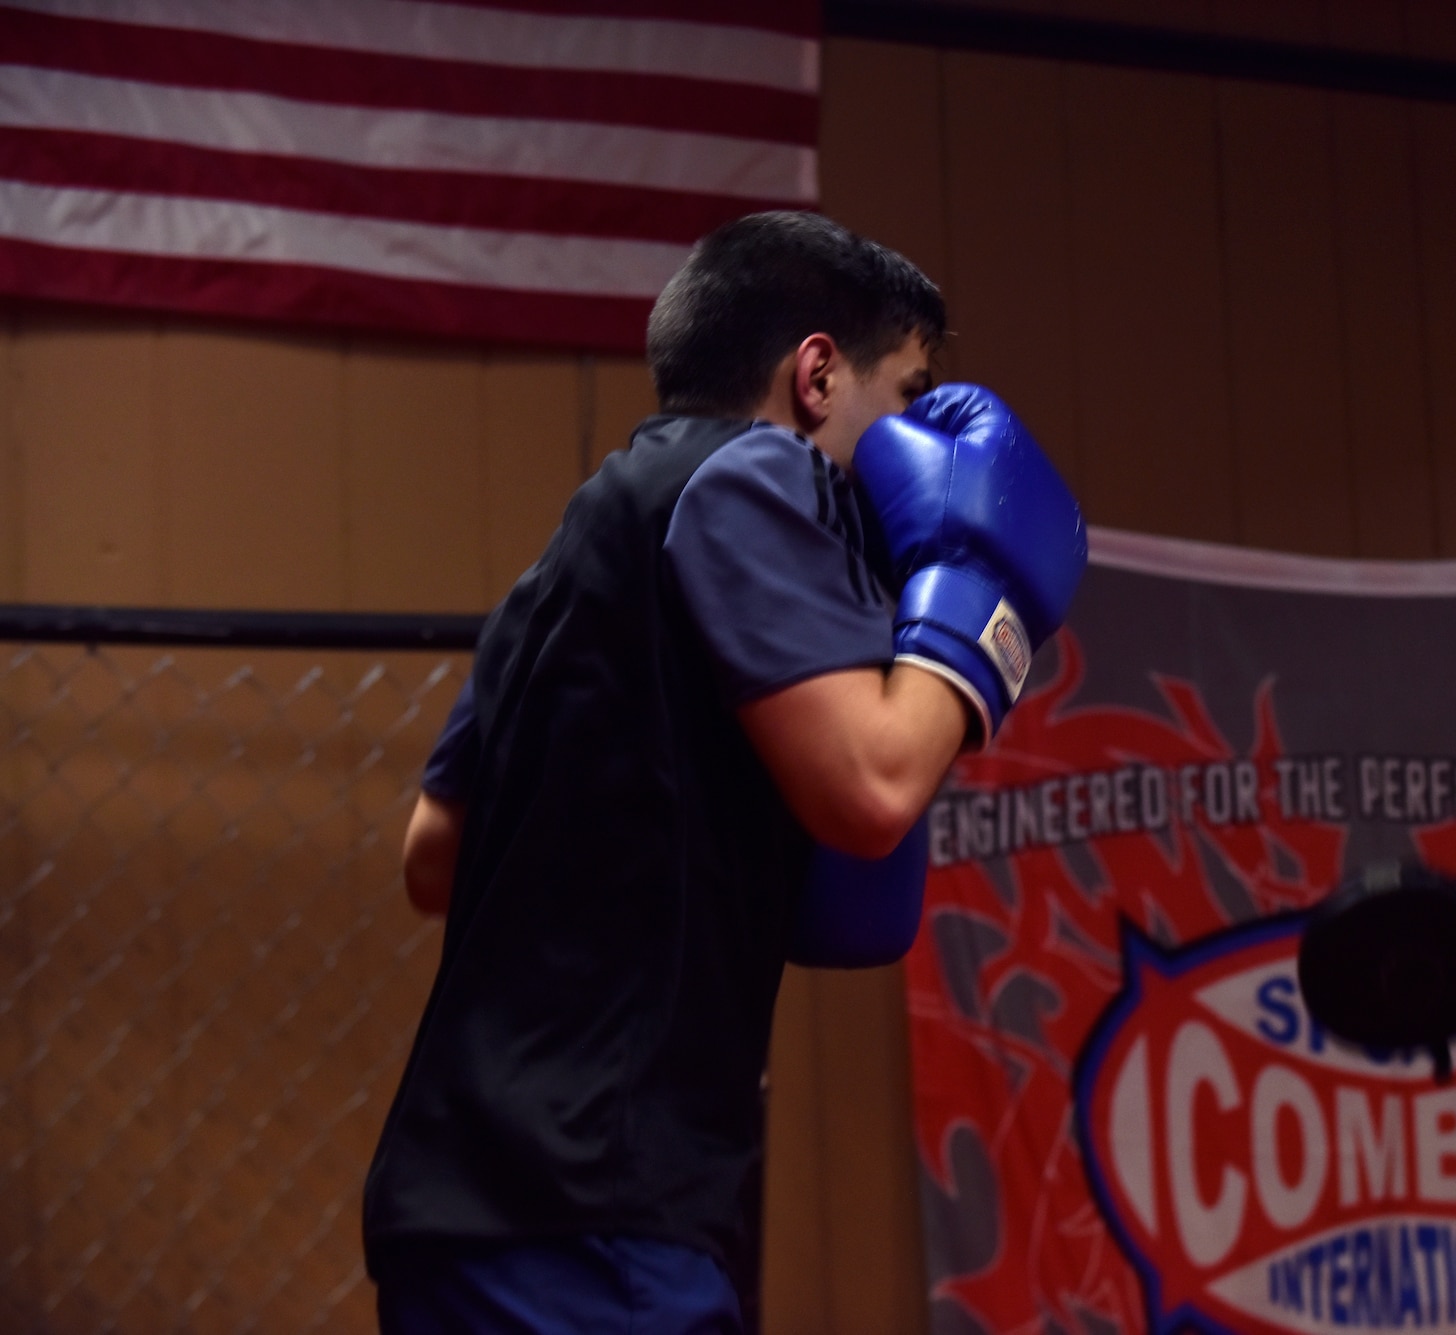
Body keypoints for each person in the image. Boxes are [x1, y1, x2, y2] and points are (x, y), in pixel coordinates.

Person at [363, 210, 1085, 1334]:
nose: (909, 438)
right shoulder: (757, 476)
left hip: (460, 1202)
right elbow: (873, 787)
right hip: (598, 1205)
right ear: (815, 377)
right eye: (901, 394)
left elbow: (431, 859)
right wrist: (987, 607)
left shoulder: (562, 559)